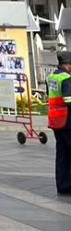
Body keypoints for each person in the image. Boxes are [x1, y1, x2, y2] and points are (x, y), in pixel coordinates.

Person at [46, 51, 71, 195]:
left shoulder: (51, 77)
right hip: (67, 121)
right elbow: (68, 100)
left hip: (56, 119)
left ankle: (63, 185)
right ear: (68, 64)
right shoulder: (66, 78)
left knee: (62, 154)